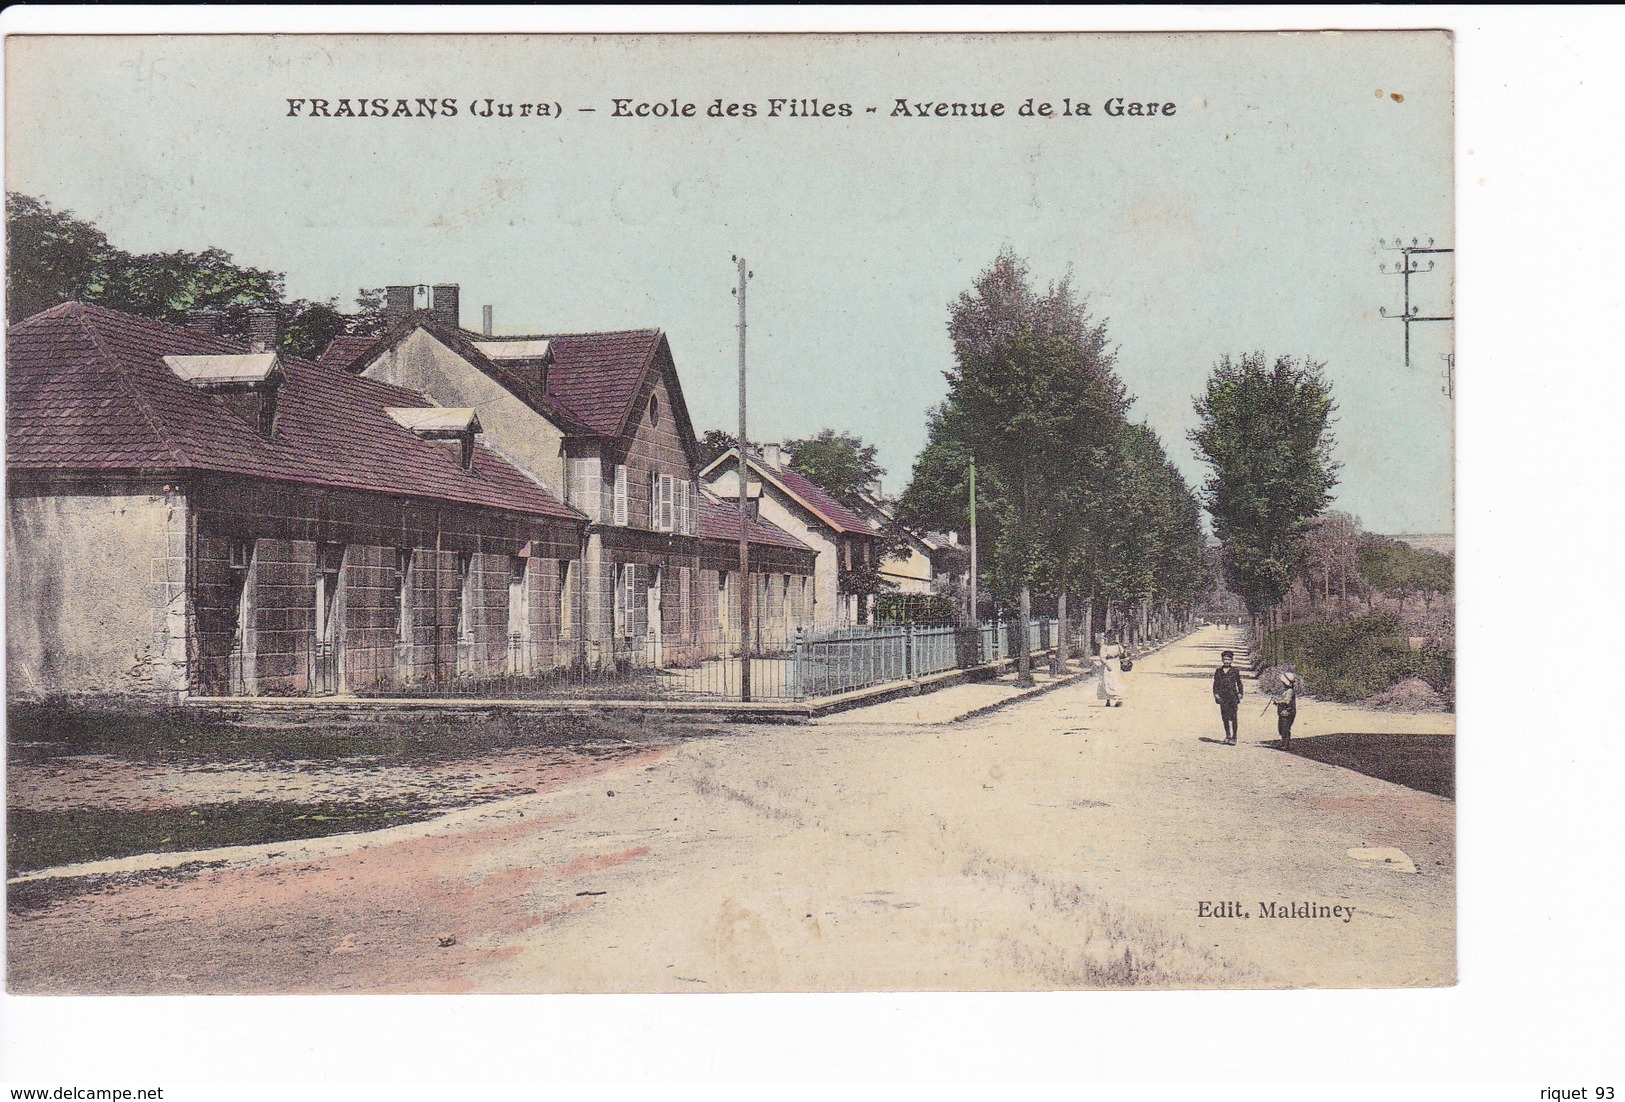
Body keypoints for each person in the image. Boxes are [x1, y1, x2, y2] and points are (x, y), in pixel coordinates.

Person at [1212, 649, 1244, 744]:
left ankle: (1234, 737)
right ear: (1222, 660)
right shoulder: (1218, 671)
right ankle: (1227, 735)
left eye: (1228, 659)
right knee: (1225, 717)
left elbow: (1239, 683)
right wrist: (1216, 694)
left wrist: (1240, 693)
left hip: (1233, 697)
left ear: (1232, 660)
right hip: (1223, 697)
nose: (1226, 661)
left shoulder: (1235, 671)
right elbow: (1215, 684)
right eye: (1225, 659)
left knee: (1234, 717)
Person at [1097, 635, 1125, 707]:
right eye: (1109, 638)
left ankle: (1118, 699)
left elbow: (1122, 653)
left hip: (1116, 663)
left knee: (1116, 681)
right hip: (1108, 663)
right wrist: (1107, 665)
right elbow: (1102, 658)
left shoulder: (1117, 645)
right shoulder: (1104, 647)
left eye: (1112, 638)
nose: (1111, 639)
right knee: (1107, 681)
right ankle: (1108, 700)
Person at [1275, 671, 1299, 746]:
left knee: (1285, 729)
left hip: (1287, 713)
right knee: (1281, 729)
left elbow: (1287, 701)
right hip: (1283, 713)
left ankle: (1285, 744)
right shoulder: (1286, 690)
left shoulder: (1289, 691)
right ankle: (1284, 743)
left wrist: (1278, 702)